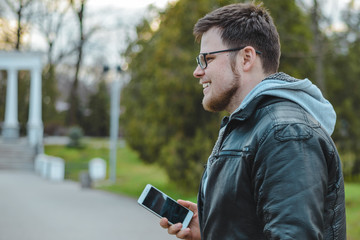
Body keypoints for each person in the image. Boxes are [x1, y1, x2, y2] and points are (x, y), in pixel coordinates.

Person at [160, 2, 346, 240]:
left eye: (206, 59)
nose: (197, 71)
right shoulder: (248, 127)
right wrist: (211, 228)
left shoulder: (286, 133)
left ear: (246, 58)